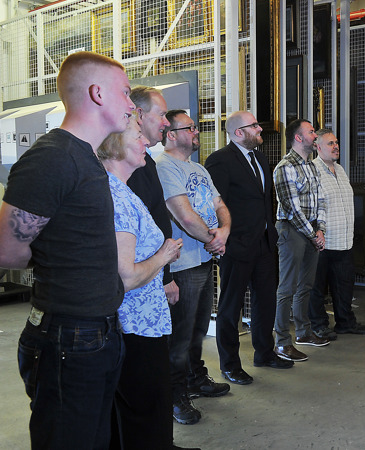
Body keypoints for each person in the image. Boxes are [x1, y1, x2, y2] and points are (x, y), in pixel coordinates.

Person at [0, 51, 134, 448]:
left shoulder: (86, 157)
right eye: (124, 92)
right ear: (97, 94)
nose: (130, 104)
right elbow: (4, 251)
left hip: (96, 331)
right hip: (69, 337)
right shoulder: (53, 158)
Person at [99, 117, 183, 448]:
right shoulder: (117, 198)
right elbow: (126, 276)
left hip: (141, 323)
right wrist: (163, 256)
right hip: (133, 326)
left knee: (147, 411)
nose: (147, 142)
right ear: (116, 145)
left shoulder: (122, 191)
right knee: (144, 415)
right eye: (138, 136)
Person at [205, 111, 292, 386]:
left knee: (265, 302)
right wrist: (226, 242)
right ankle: (230, 365)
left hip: (265, 244)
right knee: (230, 308)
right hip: (236, 247)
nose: (259, 128)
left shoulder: (261, 158)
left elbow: (265, 201)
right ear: (238, 132)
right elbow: (217, 205)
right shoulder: (220, 161)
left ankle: (264, 353)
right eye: (254, 125)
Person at [156, 110, 231, 424]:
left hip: (203, 259)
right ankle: (175, 397)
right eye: (190, 128)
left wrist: (223, 231)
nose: (197, 131)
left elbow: (219, 205)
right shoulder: (163, 166)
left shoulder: (199, 167)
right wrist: (214, 240)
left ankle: (195, 377)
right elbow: (184, 216)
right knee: (180, 335)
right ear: (171, 134)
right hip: (183, 264)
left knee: (198, 329)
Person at [273, 119, 330, 362]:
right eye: (311, 132)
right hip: (293, 232)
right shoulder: (285, 167)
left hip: (311, 232)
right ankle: (282, 342)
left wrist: (321, 230)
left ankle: (304, 333)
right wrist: (313, 234)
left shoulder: (312, 166)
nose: (315, 135)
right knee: (286, 288)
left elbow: (321, 201)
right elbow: (293, 210)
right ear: (298, 138)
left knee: (305, 286)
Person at [309, 129, 365, 339]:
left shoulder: (340, 170)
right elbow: (312, 206)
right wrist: (316, 233)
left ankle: (345, 322)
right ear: (318, 147)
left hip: (344, 241)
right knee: (317, 288)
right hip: (323, 241)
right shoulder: (313, 171)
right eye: (330, 143)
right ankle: (319, 325)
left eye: (336, 142)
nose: (336, 146)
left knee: (344, 285)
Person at [128, 86, 180, 306]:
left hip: (155, 269)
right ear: (139, 114)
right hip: (144, 278)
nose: (166, 122)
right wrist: (165, 275)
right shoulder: (132, 165)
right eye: (161, 114)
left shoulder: (145, 160)